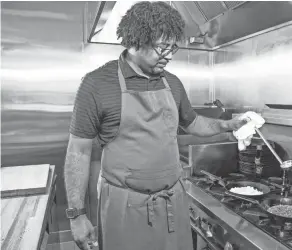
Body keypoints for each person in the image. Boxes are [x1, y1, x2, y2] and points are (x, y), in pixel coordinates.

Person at [63, 2, 264, 250]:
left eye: (173, 47)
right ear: (135, 43)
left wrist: (229, 125)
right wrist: (77, 215)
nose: (169, 55)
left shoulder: (173, 83)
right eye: (161, 47)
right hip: (123, 208)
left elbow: (194, 123)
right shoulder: (97, 85)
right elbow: (78, 152)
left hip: (172, 203)